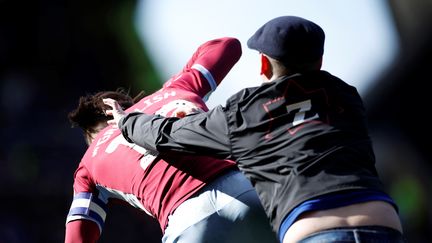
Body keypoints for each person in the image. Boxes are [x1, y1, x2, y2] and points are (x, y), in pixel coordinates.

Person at [104, 16, 405, 242]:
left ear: (263, 64)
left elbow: (169, 135)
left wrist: (126, 120)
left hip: (313, 230)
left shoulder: (246, 111)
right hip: (383, 218)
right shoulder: (347, 97)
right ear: (320, 60)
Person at [65, 37, 278, 243]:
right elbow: (228, 45)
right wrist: (177, 82)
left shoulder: (88, 163)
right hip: (246, 190)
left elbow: (78, 236)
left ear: (93, 137)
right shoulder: (175, 90)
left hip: (186, 222)